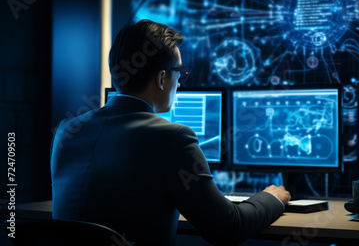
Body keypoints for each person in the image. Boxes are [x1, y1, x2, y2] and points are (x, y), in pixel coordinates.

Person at [50, 19, 291, 245]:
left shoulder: (67, 129)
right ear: (162, 78)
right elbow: (229, 228)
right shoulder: (173, 137)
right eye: (180, 73)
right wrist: (271, 198)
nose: (180, 83)